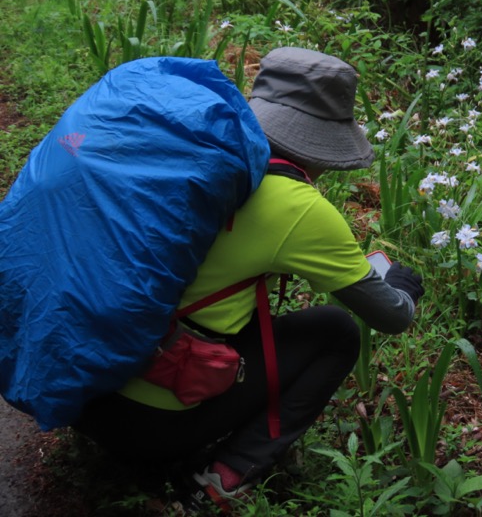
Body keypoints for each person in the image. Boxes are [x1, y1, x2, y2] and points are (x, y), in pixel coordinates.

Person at [73, 47, 424, 514]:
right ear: (321, 140)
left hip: (79, 387)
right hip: (149, 424)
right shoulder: (299, 208)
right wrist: (402, 286)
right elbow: (392, 317)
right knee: (335, 332)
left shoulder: (187, 153)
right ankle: (225, 474)